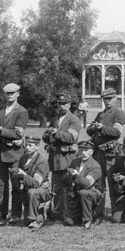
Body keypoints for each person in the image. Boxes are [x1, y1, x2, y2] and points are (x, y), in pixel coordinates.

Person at [0, 82, 29, 223]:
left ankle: (16, 214)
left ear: (18, 94)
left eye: (12, 93)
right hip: (0, 152)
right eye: (7, 93)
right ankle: (2, 213)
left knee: (16, 185)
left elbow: (18, 133)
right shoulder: (0, 109)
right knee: (1, 185)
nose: (9, 96)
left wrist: (1, 131)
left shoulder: (22, 111)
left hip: (15, 154)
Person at [86, 87, 125, 216]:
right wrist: (94, 127)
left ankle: (117, 211)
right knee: (98, 181)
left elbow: (116, 132)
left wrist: (102, 128)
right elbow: (89, 131)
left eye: (109, 98)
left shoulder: (118, 113)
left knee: (113, 182)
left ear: (115, 99)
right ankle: (99, 210)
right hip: (98, 153)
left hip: (111, 153)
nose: (107, 101)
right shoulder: (100, 114)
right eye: (105, 99)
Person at [43, 93, 81, 221]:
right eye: (59, 103)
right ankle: (58, 212)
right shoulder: (54, 120)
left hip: (67, 158)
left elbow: (71, 138)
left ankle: (71, 213)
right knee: (56, 188)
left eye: (64, 103)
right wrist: (48, 134)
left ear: (69, 105)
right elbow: (46, 137)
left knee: (70, 187)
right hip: (55, 158)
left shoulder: (73, 119)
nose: (61, 106)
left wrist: (56, 133)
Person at [12, 134, 51, 230]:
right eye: (26, 145)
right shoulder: (23, 158)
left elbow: (36, 183)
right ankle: (34, 215)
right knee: (26, 221)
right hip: (28, 189)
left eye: (30, 145)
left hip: (41, 190)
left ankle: (36, 219)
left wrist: (24, 176)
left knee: (33, 192)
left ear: (37, 146)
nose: (27, 148)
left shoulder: (41, 161)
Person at [63, 139, 103, 229]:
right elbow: (65, 182)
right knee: (69, 221)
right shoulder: (75, 162)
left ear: (92, 152)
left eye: (86, 150)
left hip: (91, 193)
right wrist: (68, 175)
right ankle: (80, 214)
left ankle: (88, 219)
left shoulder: (95, 166)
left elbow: (87, 184)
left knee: (84, 193)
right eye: (81, 150)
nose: (83, 153)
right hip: (76, 194)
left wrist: (76, 176)